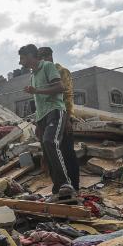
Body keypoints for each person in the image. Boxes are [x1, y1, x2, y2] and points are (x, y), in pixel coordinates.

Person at [20, 44, 79, 198]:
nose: (20, 62)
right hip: (42, 117)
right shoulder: (33, 76)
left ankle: (67, 184)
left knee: (51, 143)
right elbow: (38, 102)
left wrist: (68, 118)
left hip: (56, 112)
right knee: (47, 151)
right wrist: (38, 123)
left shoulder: (49, 67)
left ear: (30, 56)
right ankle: (59, 188)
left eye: (22, 58)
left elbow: (61, 89)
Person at [37, 47, 79, 190]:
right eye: (40, 57)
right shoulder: (40, 74)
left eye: (44, 56)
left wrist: (67, 119)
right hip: (46, 118)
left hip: (61, 116)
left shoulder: (61, 71)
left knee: (67, 152)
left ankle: (74, 186)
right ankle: (59, 187)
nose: (42, 59)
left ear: (50, 56)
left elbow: (68, 96)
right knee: (52, 154)